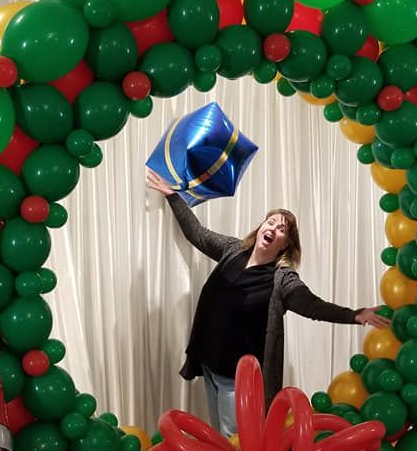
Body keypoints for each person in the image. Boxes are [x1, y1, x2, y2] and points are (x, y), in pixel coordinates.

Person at [147, 169, 388, 436]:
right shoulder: (233, 250)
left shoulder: (281, 279)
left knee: (235, 439)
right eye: (270, 222)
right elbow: (197, 233)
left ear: (286, 244)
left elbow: (312, 306)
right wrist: (173, 196)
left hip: (238, 376)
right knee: (220, 435)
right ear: (261, 227)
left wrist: (354, 314)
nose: (273, 227)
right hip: (209, 359)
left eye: (281, 228)